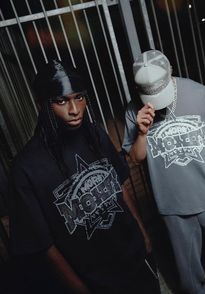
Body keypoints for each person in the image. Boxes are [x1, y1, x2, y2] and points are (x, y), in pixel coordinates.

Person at [9, 60, 161, 294]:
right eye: (61, 101)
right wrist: (80, 290)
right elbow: (44, 246)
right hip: (96, 280)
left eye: (79, 97)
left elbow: (120, 186)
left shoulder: (95, 133)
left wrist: (142, 235)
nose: (75, 109)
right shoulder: (25, 168)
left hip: (134, 259)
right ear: (41, 105)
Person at [122, 49, 205, 293]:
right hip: (172, 207)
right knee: (188, 279)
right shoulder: (135, 109)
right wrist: (142, 133)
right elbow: (135, 157)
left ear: (171, 72)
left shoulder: (199, 93)